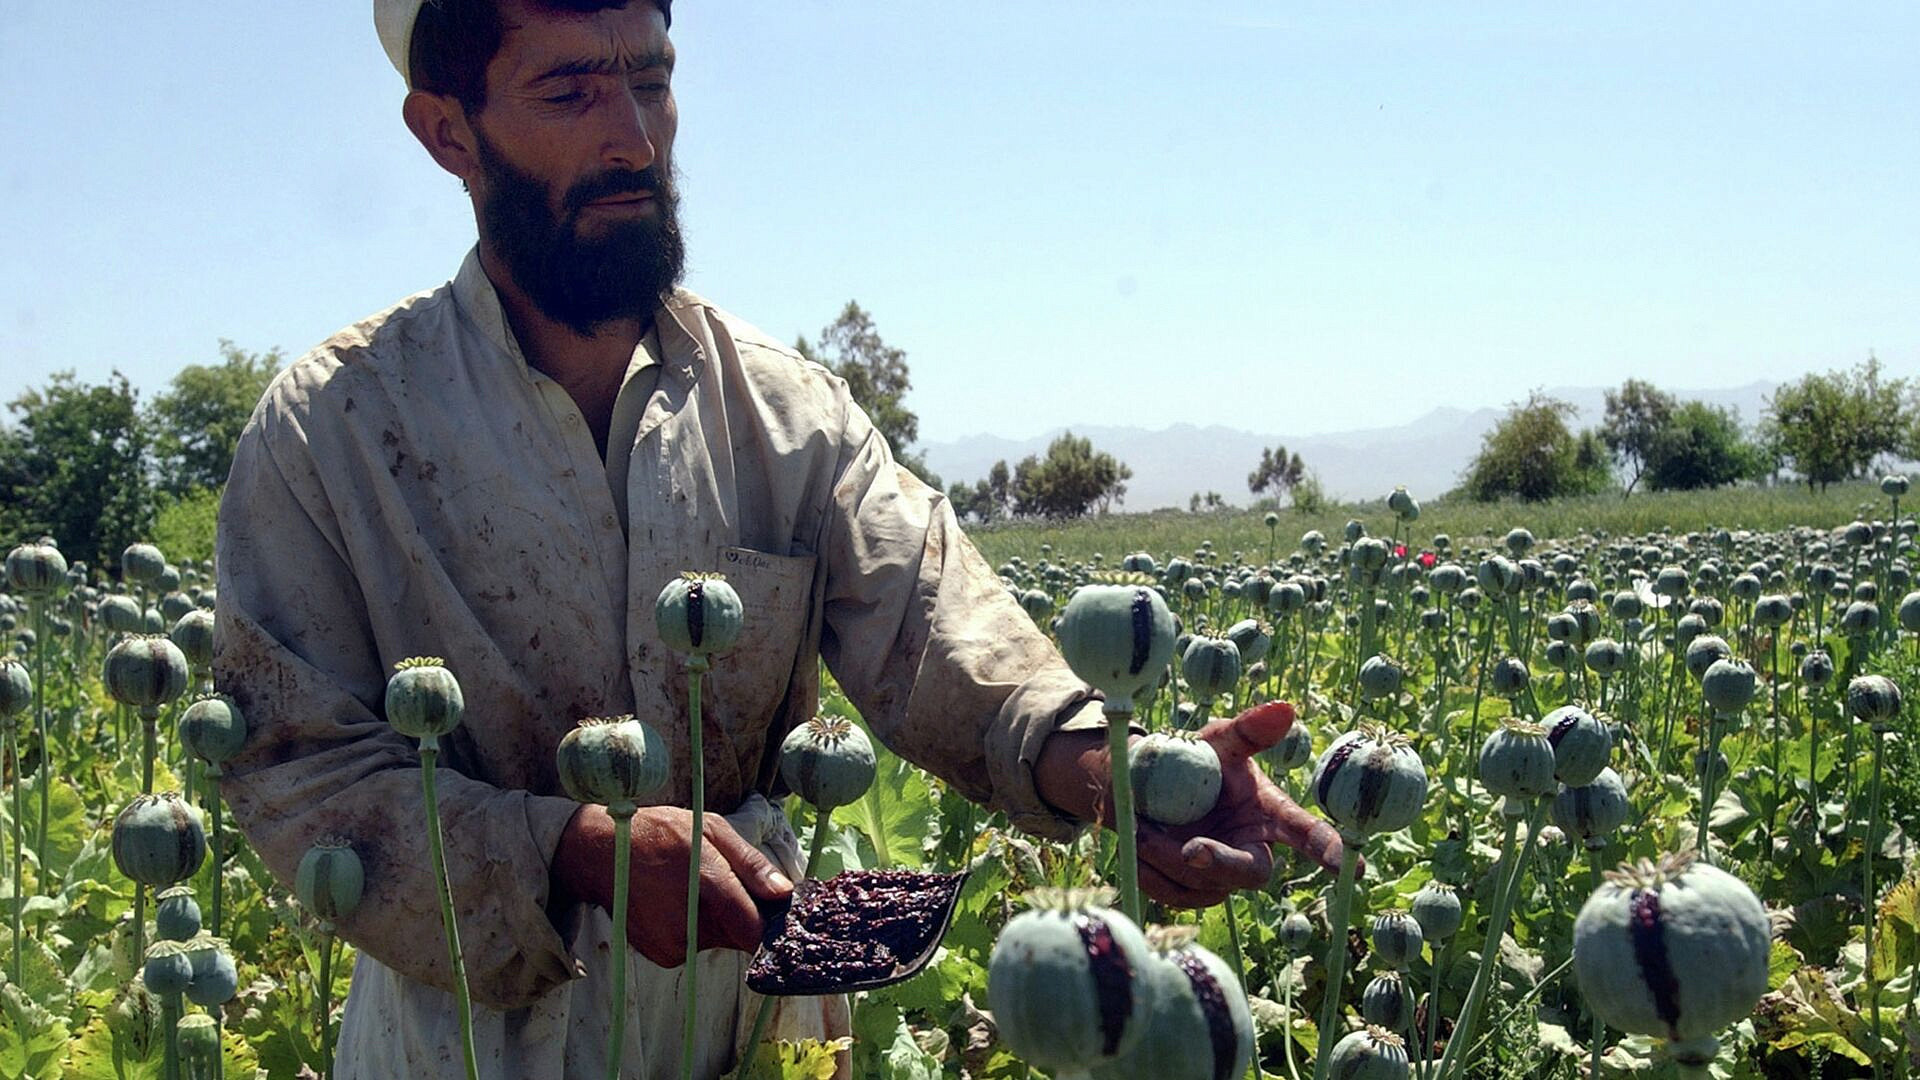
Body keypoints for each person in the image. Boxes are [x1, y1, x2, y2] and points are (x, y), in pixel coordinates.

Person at [213, 2, 1346, 1077]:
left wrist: (1116, 774)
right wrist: (573, 849)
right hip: (472, 1031)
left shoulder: (786, 412)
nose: (631, 137)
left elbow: (938, 631)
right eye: (568, 90)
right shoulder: (337, 426)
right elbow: (300, 774)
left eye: (651, 81)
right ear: (448, 131)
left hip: (766, 1022)